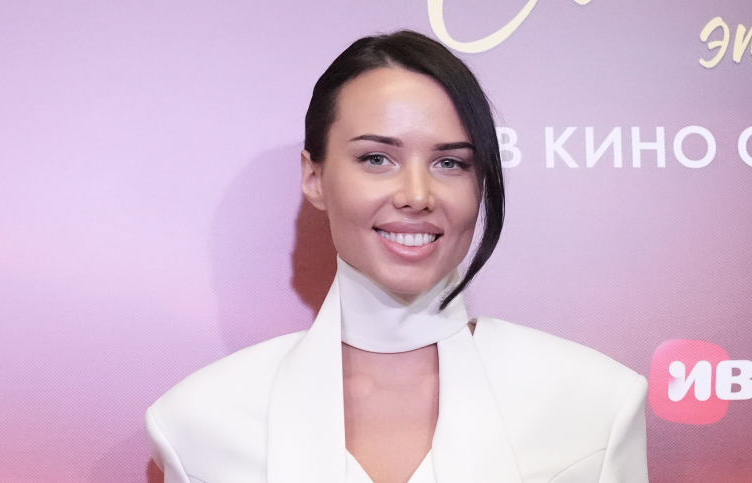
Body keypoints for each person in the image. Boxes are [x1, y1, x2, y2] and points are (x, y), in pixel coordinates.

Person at [146, 30, 649, 483]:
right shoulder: (199, 424)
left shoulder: (595, 404)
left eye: (449, 162)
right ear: (314, 177)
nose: (416, 195)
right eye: (376, 158)